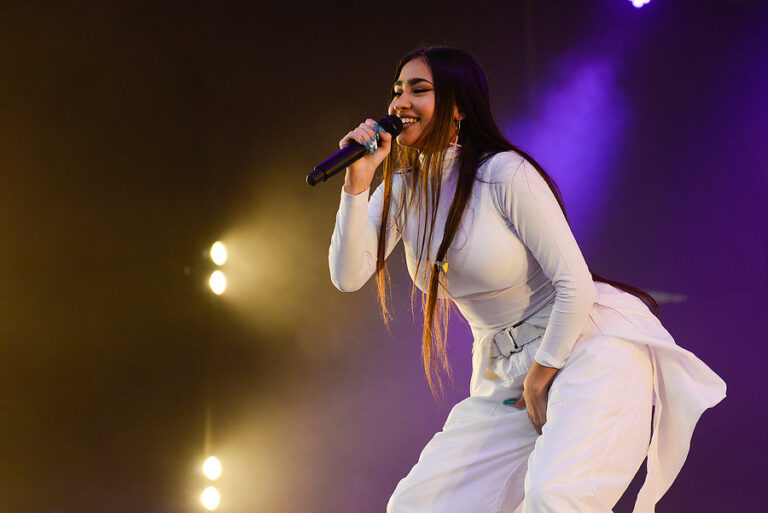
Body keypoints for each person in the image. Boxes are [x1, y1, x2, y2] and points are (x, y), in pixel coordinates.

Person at [327, 46, 725, 513]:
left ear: (457, 106)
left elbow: (573, 282)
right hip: (506, 374)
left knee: (553, 497)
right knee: (417, 505)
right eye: (397, 91)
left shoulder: (503, 174)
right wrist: (358, 182)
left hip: (585, 347)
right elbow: (348, 275)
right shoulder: (402, 190)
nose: (400, 103)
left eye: (419, 89)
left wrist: (542, 375)